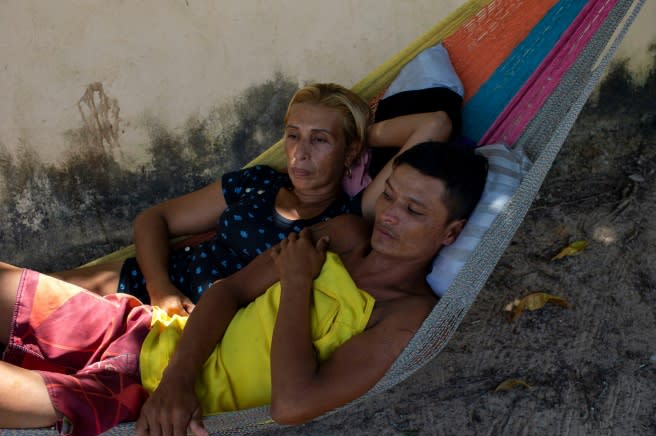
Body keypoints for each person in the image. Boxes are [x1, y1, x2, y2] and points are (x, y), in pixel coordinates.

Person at [0, 141, 488, 436]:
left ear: (452, 233)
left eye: (414, 210)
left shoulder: (405, 315)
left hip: (137, 402)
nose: (390, 215)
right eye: (391, 196)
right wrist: (178, 378)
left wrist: (297, 285)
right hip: (146, 335)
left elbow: (294, 404)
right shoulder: (343, 232)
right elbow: (229, 290)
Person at [51, 83, 454, 315]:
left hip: (197, 325)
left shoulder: (351, 216)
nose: (300, 151)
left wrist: (357, 135)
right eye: (293, 135)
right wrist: (160, 288)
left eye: (320, 139)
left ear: (349, 153)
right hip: (153, 282)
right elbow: (154, 219)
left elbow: (435, 124)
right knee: (21, 294)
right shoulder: (257, 182)